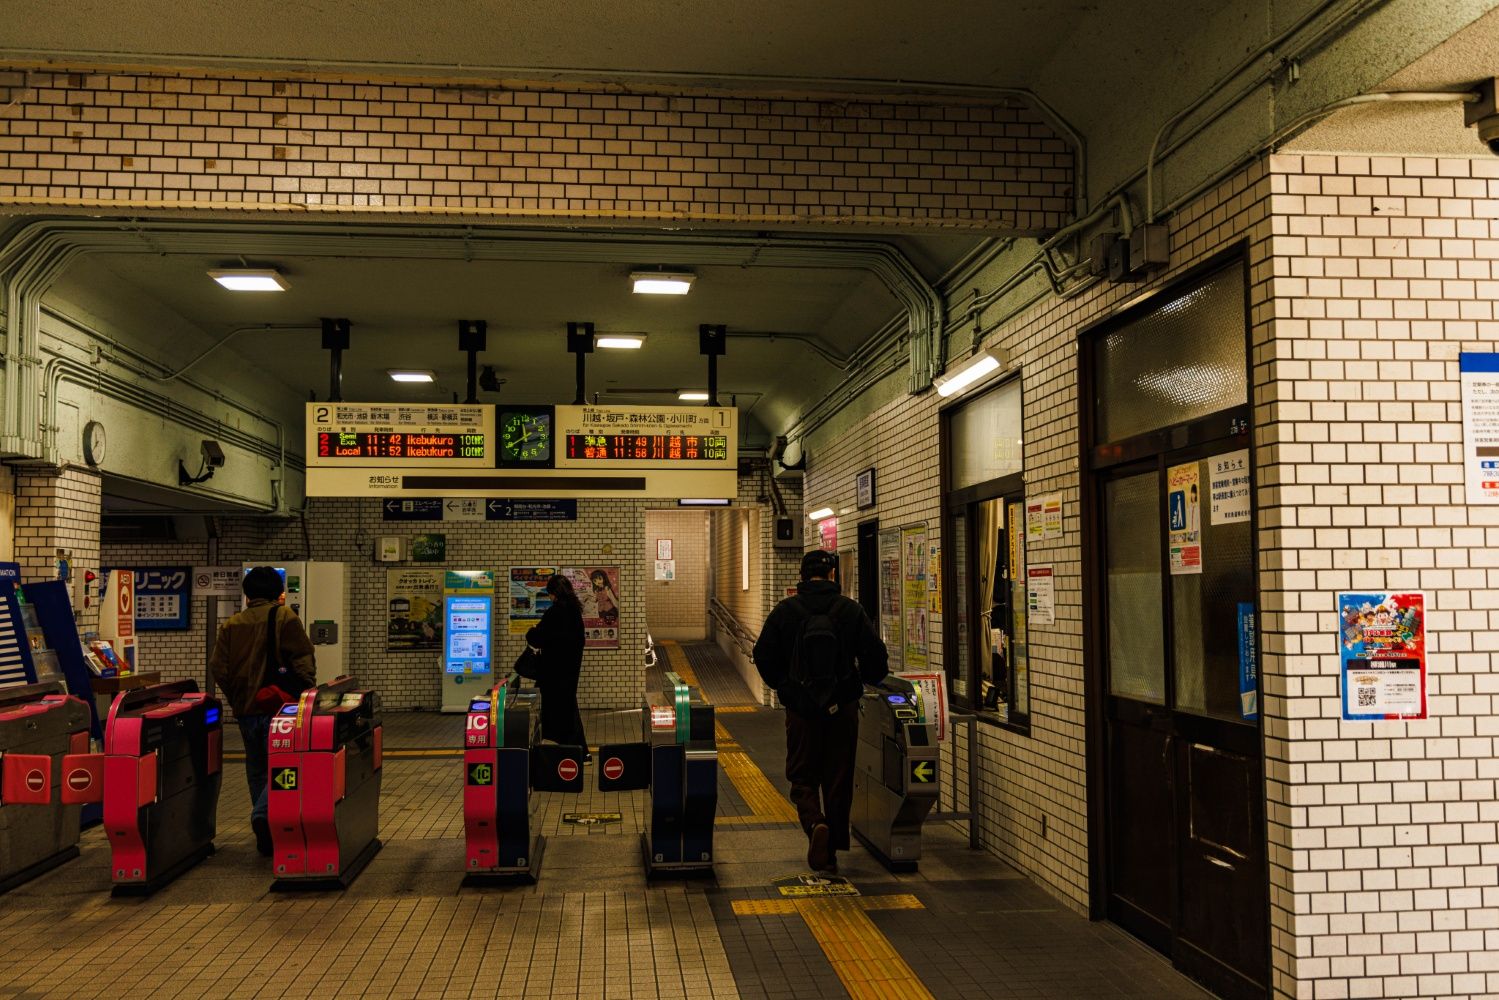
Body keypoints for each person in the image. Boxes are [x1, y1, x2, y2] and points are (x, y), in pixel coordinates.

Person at [753, 550, 888, 874]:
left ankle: (815, 825)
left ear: (802, 576)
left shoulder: (786, 611)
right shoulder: (850, 610)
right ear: (832, 576)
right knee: (838, 778)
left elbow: (763, 655)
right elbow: (876, 662)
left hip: (801, 711)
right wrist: (858, 680)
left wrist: (786, 688)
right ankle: (832, 853)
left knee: (802, 776)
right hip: (842, 710)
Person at [208, 567, 316, 857]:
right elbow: (302, 658)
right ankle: (263, 815)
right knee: (285, 764)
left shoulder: (232, 624)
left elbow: (218, 667)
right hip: (279, 708)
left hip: (247, 710)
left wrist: (238, 697)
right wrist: (306, 692)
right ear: (276, 590)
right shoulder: (284, 617)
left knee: (256, 767)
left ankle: (266, 825)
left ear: (247, 592)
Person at [527, 573, 589, 759]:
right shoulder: (575, 611)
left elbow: (537, 637)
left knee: (559, 710)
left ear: (555, 592)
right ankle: (575, 751)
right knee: (568, 708)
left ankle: (575, 752)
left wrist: (531, 631)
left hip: (554, 672)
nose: (550, 597)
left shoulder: (555, 612)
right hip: (570, 671)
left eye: (550, 594)